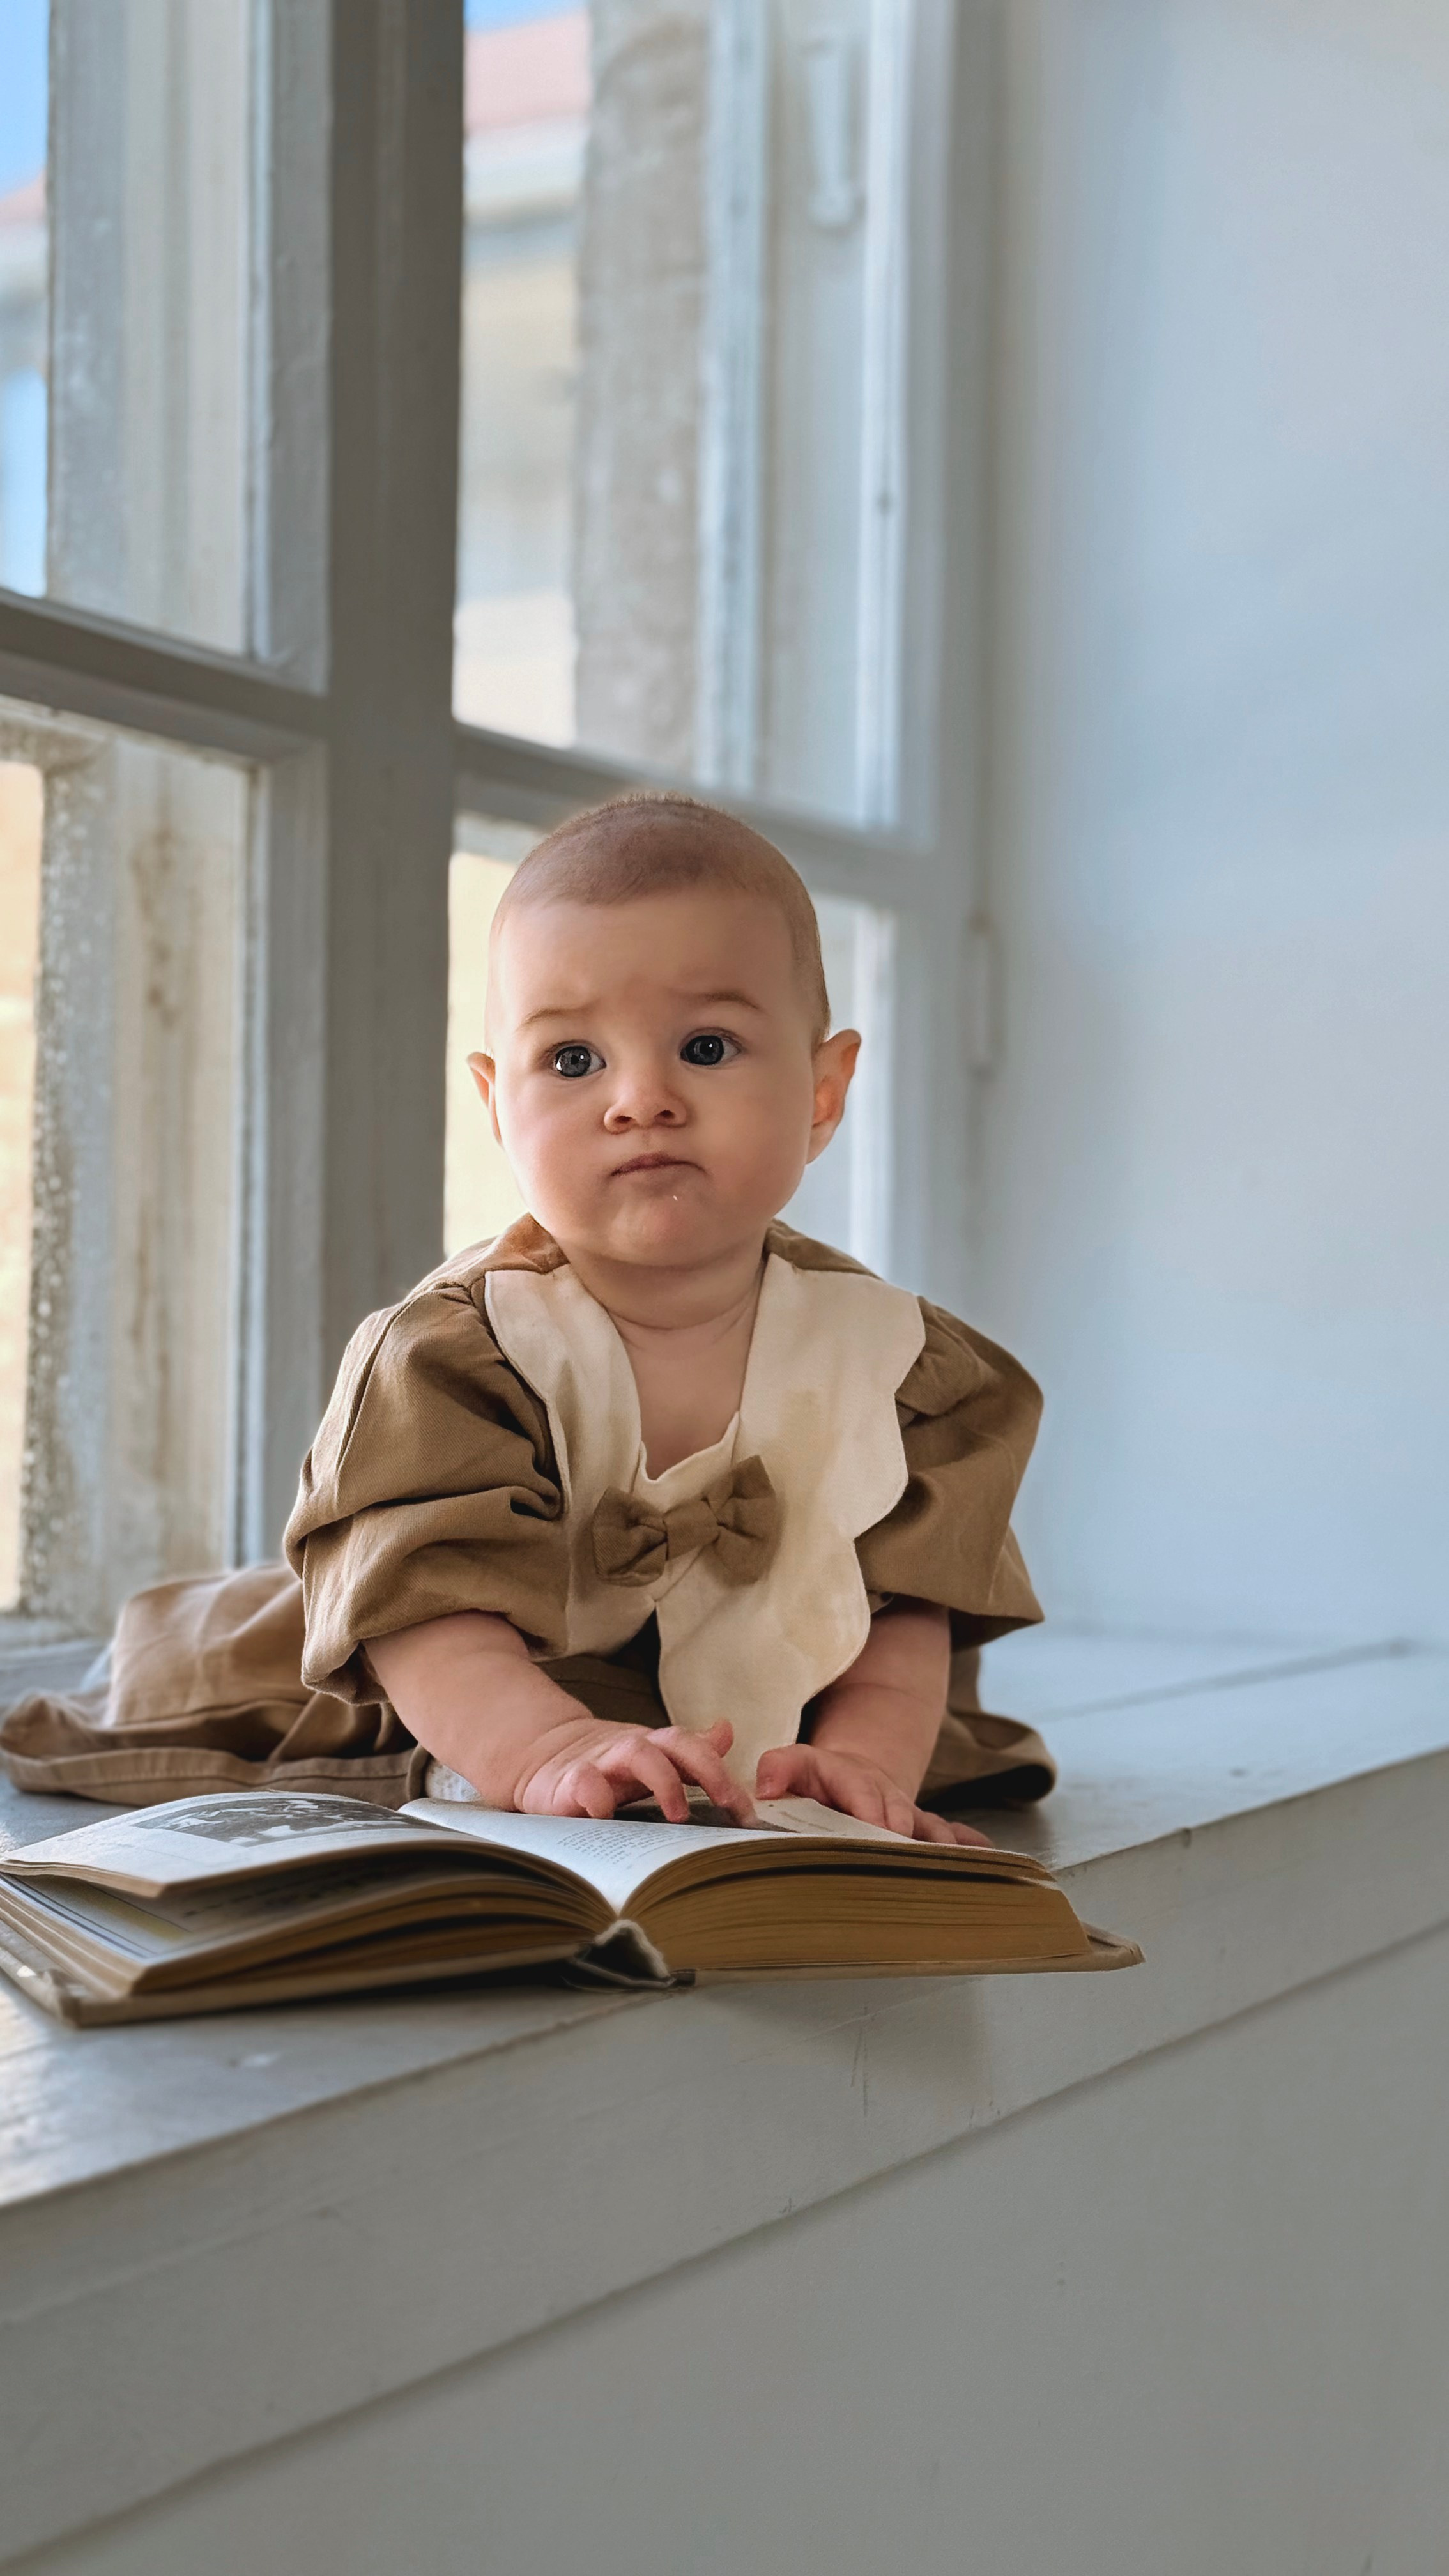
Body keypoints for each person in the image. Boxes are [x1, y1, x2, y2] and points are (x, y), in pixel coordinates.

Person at [1, 794, 1055, 1834]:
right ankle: (171, 1640)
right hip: (460, 1683)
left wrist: (862, 1763)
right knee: (214, 1667)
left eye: (706, 1047)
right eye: (574, 1060)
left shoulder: (898, 1365)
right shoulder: (463, 1353)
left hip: (740, 1693)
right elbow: (424, 1615)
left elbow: (904, 1614)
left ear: (823, 1092)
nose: (640, 1097)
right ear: (497, 1104)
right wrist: (548, 1748)